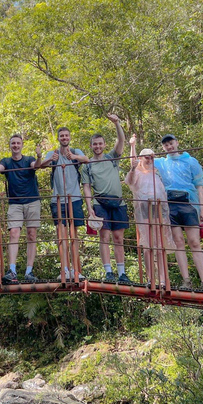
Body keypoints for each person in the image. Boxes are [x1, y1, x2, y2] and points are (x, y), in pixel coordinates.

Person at [154, 134, 203, 291]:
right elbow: (139, 162)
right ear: (163, 148)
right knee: (178, 241)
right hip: (170, 204)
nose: (169, 146)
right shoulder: (161, 163)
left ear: (177, 143)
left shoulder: (190, 161)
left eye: (171, 143)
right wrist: (132, 145)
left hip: (188, 202)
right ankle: (186, 281)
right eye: (166, 145)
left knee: (194, 242)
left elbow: (199, 185)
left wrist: (202, 208)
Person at [0, 134, 43, 284]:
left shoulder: (29, 159)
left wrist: (39, 156)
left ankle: (29, 271)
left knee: (32, 234)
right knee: (14, 233)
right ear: (10, 145)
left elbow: (36, 166)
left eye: (18, 143)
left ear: (22, 145)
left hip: (32, 201)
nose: (16, 145)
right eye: (13, 143)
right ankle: (12, 270)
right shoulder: (6, 161)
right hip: (15, 203)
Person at [81, 114, 129, 282]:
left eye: (100, 143)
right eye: (95, 144)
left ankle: (122, 273)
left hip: (118, 202)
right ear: (91, 146)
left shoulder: (111, 158)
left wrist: (117, 123)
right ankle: (109, 272)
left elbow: (121, 141)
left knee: (118, 238)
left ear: (104, 145)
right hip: (99, 202)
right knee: (105, 237)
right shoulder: (87, 165)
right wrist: (89, 208)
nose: (98, 146)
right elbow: (86, 187)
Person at [40, 127, 89, 281]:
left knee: (74, 236)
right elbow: (41, 165)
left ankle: (76, 270)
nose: (64, 138)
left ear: (69, 137)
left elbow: (86, 159)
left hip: (74, 199)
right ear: (58, 138)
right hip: (58, 200)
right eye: (61, 136)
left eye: (66, 135)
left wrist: (72, 156)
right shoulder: (53, 153)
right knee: (61, 237)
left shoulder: (76, 151)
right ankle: (65, 270)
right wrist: (50, 160)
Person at [125, 136, 174, 282]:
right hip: (145, 210)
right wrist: (132, 147)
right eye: (147, 157)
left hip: (158, 210)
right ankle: (150, 279)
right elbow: (130, 181)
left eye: (152, 157)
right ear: (141, 158)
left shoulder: (156, 173)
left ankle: (163, 279)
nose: (149, 160)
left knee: (159, 245)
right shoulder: (137, 172)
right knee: (147, 245)